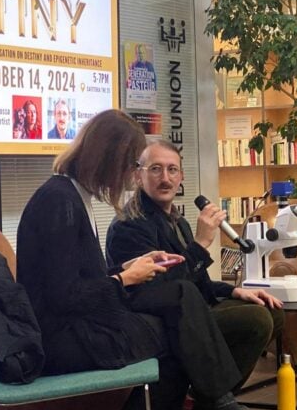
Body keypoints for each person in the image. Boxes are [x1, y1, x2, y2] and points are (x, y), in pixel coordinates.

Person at [16, 110, 289, 410]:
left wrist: (126, 269)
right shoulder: (60, 201)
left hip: (78, 326)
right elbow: (64, 297)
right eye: (131, 164)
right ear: (107, 157)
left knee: (179, 310)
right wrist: (125, 278)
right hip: (61, 338)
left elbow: (77, 282)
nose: (132, 175)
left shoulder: (71, 196)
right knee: (178, 324)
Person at [106, 138, 284, 392]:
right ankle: (215, 401)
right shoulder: (129, 224)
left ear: (181, 177)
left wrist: (234, 291)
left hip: (190, 308)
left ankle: (209, 396)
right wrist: (200, 243)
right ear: (138, 176)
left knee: (271, 309)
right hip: (160, 320)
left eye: (172, 169)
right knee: (256, 319)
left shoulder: (177, 221)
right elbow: (161, 288)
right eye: (155, 169)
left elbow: (195, 280)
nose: (165, 178)